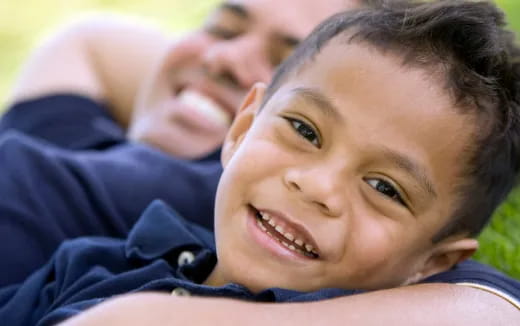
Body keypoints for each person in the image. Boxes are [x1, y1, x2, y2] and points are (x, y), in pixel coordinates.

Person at [1, 1, 519, 325]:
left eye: (385, 187)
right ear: (244, 126)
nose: (317, 186)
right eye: (305, 130)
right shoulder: (101, 260)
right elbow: (86, 38)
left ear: (432, 264)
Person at [0, 0, 357, 286]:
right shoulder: (78, 141)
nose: (224, 57)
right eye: (223, 28)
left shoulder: (240, 203)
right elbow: (86, 38)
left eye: (284, 65)